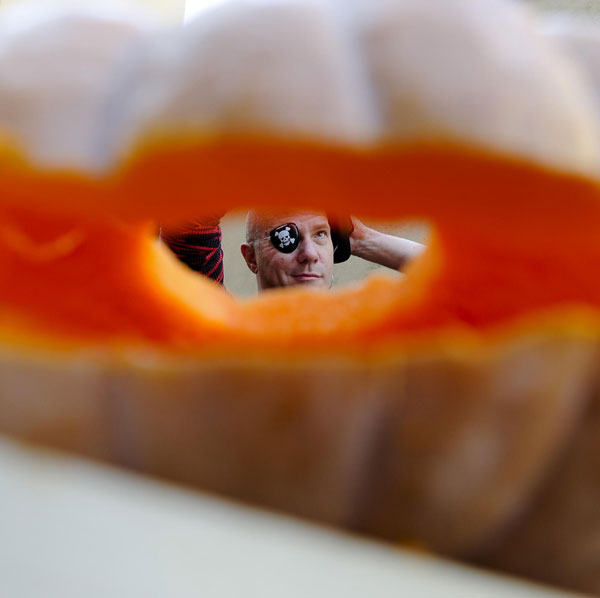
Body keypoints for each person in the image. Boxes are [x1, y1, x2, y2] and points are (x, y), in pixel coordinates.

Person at [160, 209, 424, 292]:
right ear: (251, 258)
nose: (309, 253)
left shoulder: (374, 348)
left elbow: (462, 280)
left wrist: (363, 240)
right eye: (287, 236)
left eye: (320, 234)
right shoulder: (222, 343)